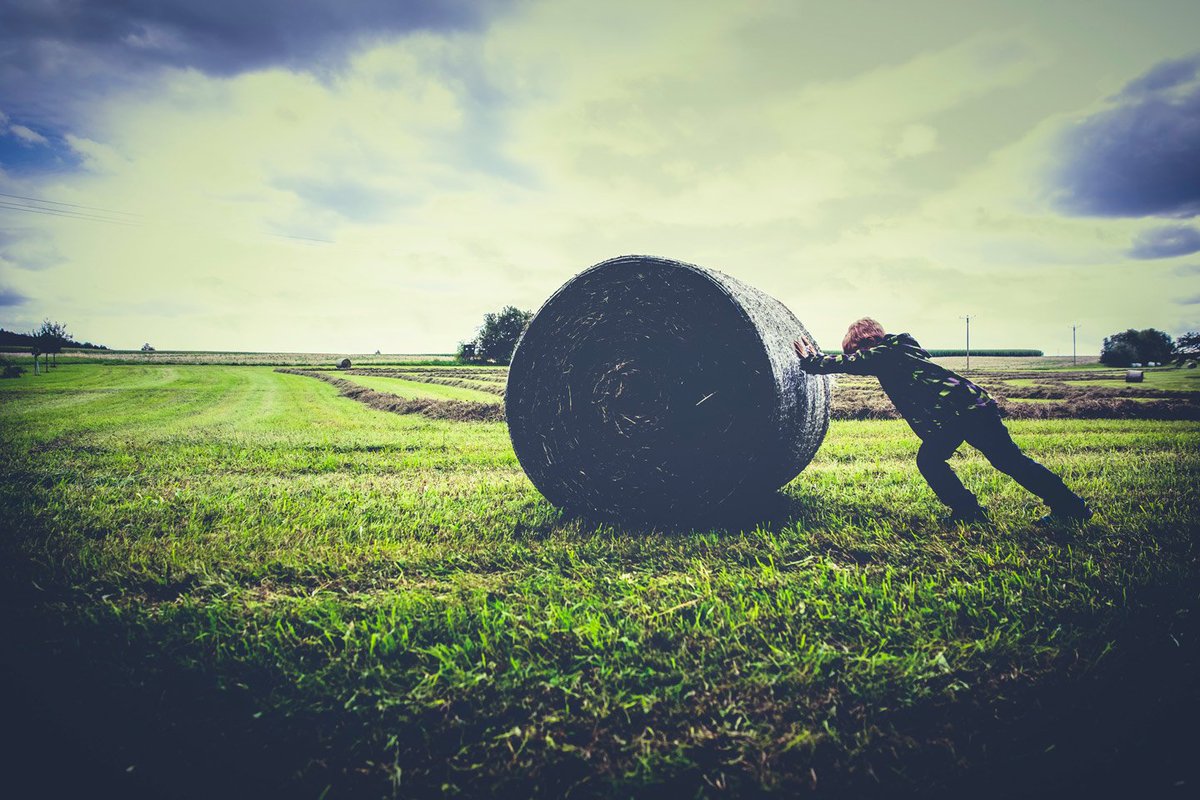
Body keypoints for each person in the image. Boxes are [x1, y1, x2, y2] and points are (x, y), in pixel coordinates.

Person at [793, 318, 1092, 525]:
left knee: (1002, 462)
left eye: (856, 349)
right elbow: (859, 364)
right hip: (957, 415)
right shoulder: (892, 355)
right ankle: (975, 510)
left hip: (966, 410)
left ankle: (1063, 506)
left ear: (866, 341)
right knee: (946, 461)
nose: (857, 355)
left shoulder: (894, 348)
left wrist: (811, 360)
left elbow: (854, 364)